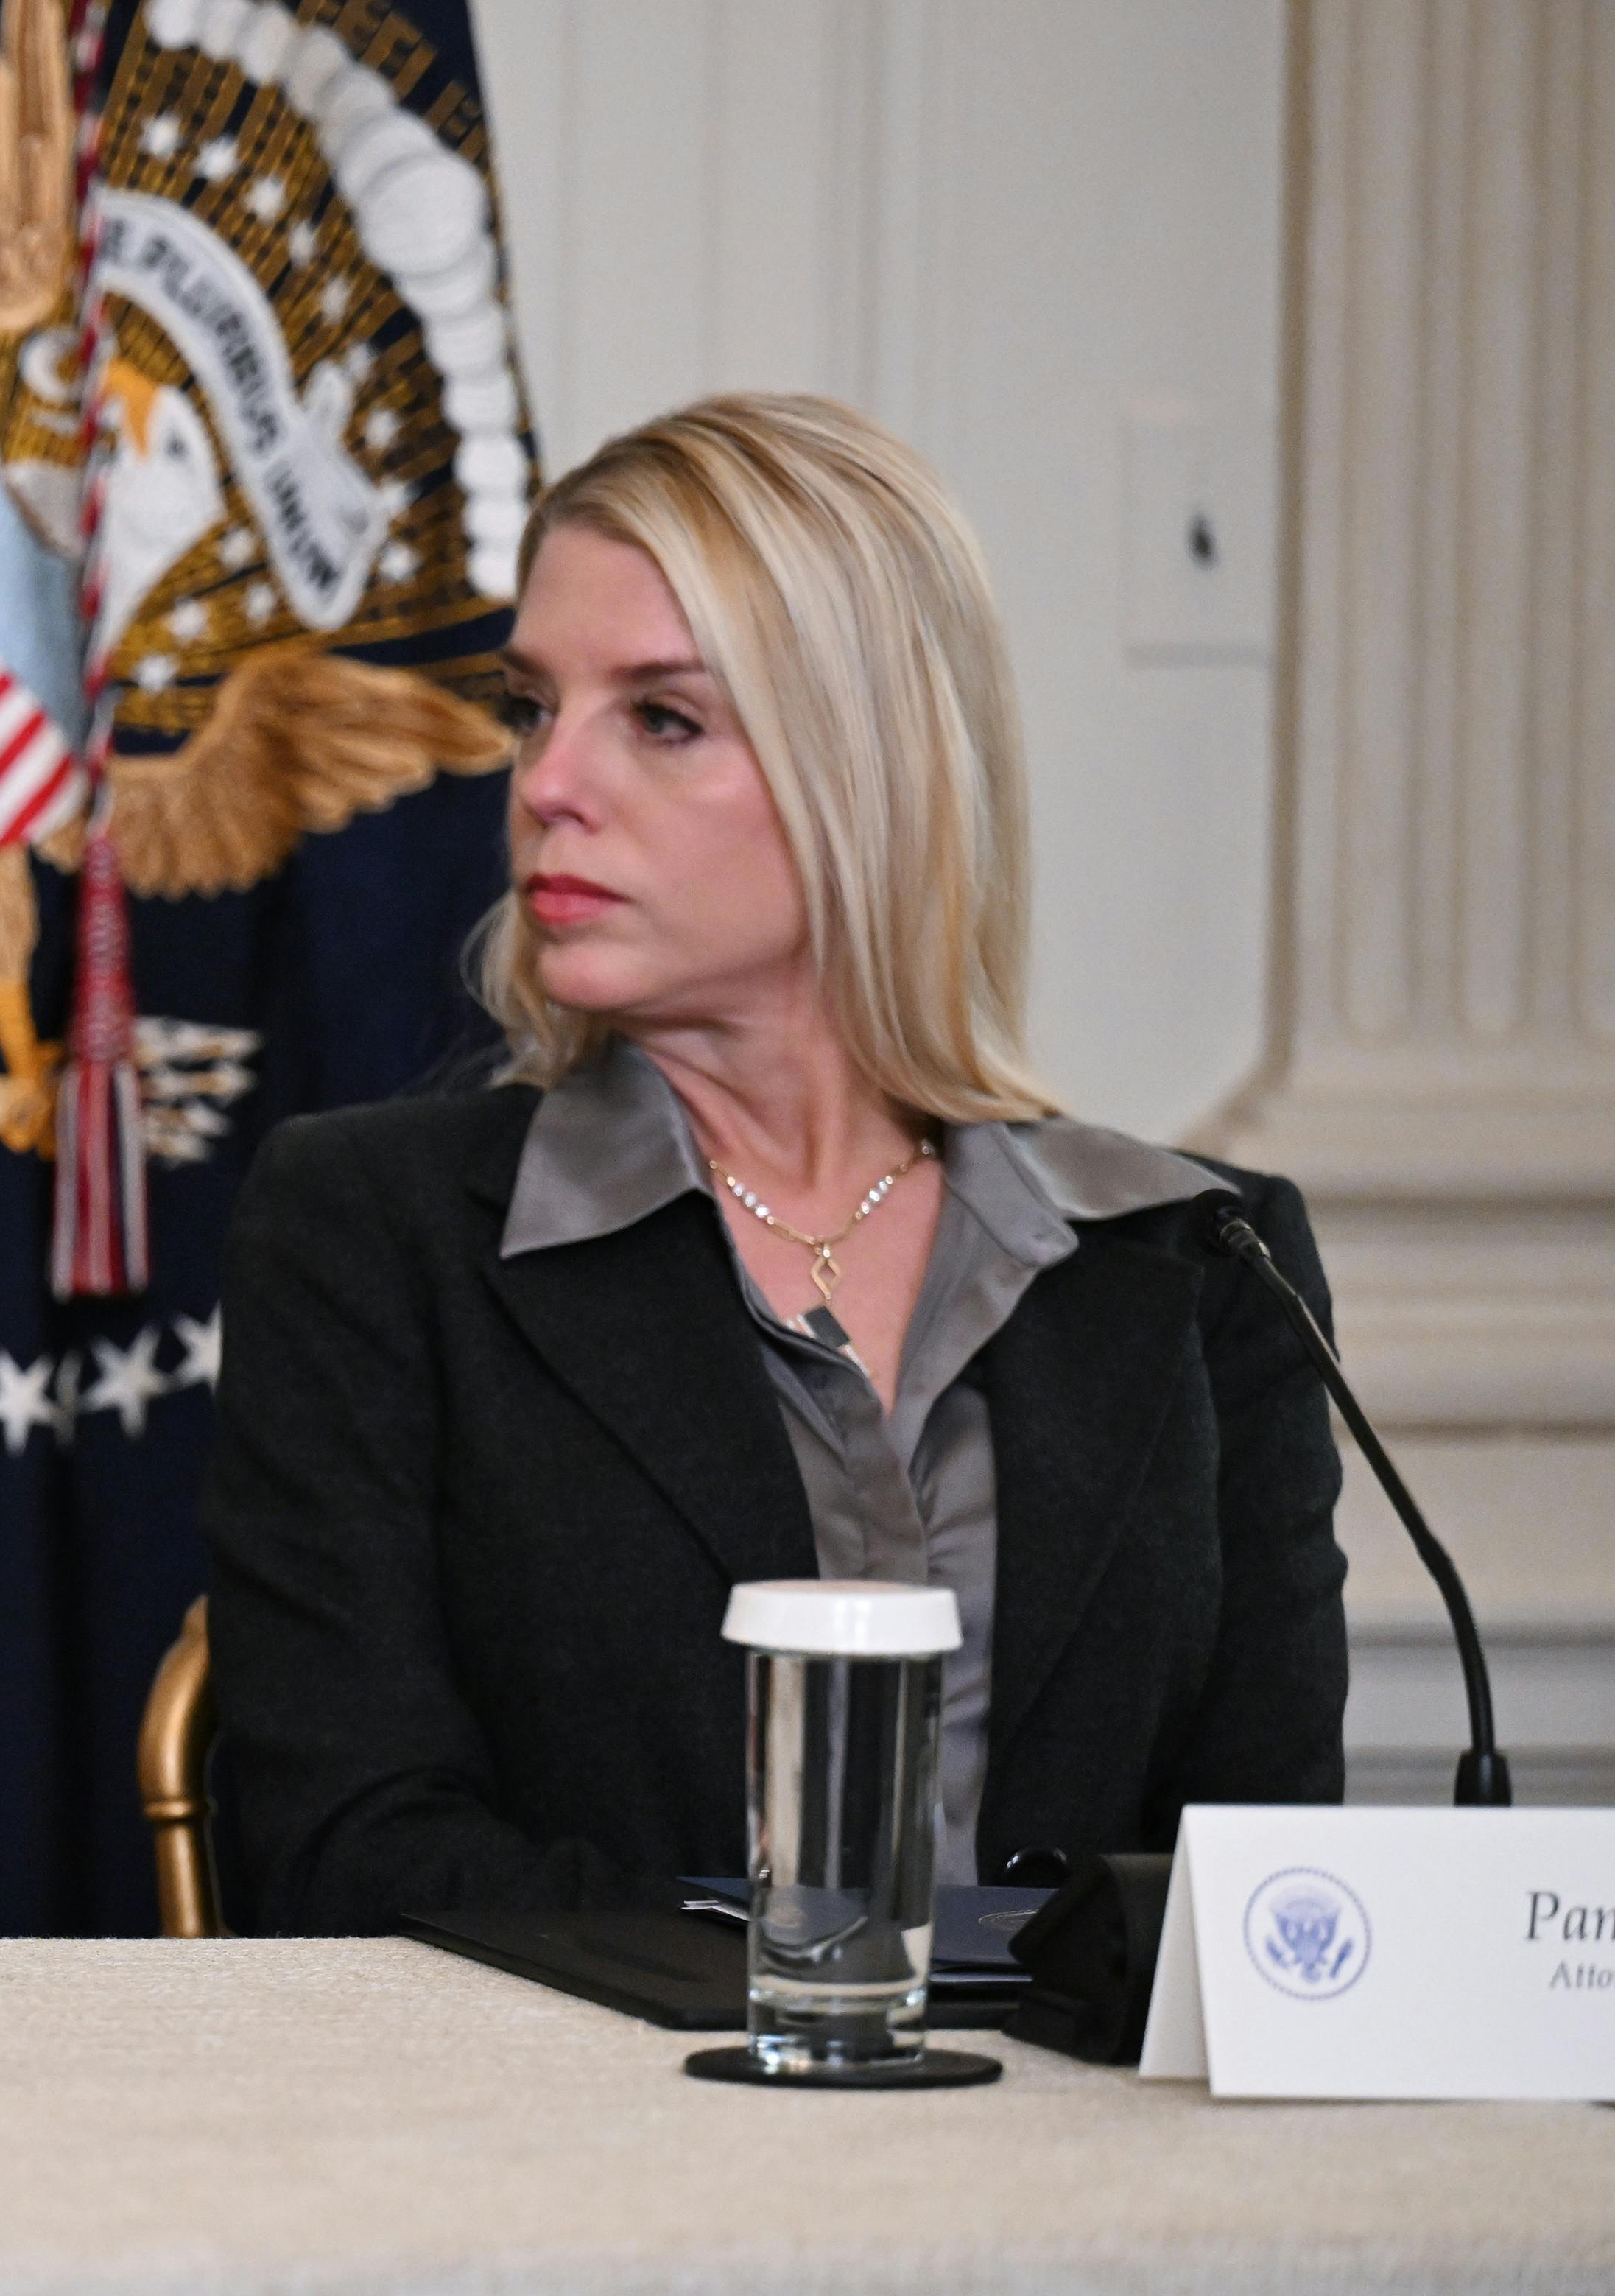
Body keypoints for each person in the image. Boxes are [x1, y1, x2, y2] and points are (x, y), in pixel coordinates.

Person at [202, 393, 1343, 1931]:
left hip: (1084, 2152)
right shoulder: (369, 1228)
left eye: (661, 718)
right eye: (536, 705)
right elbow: (350, 1855)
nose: (547, 785)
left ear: (871, 772)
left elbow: (1270, 1893)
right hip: (571, 2148)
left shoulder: (1203, 1256)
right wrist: (826, 1998)